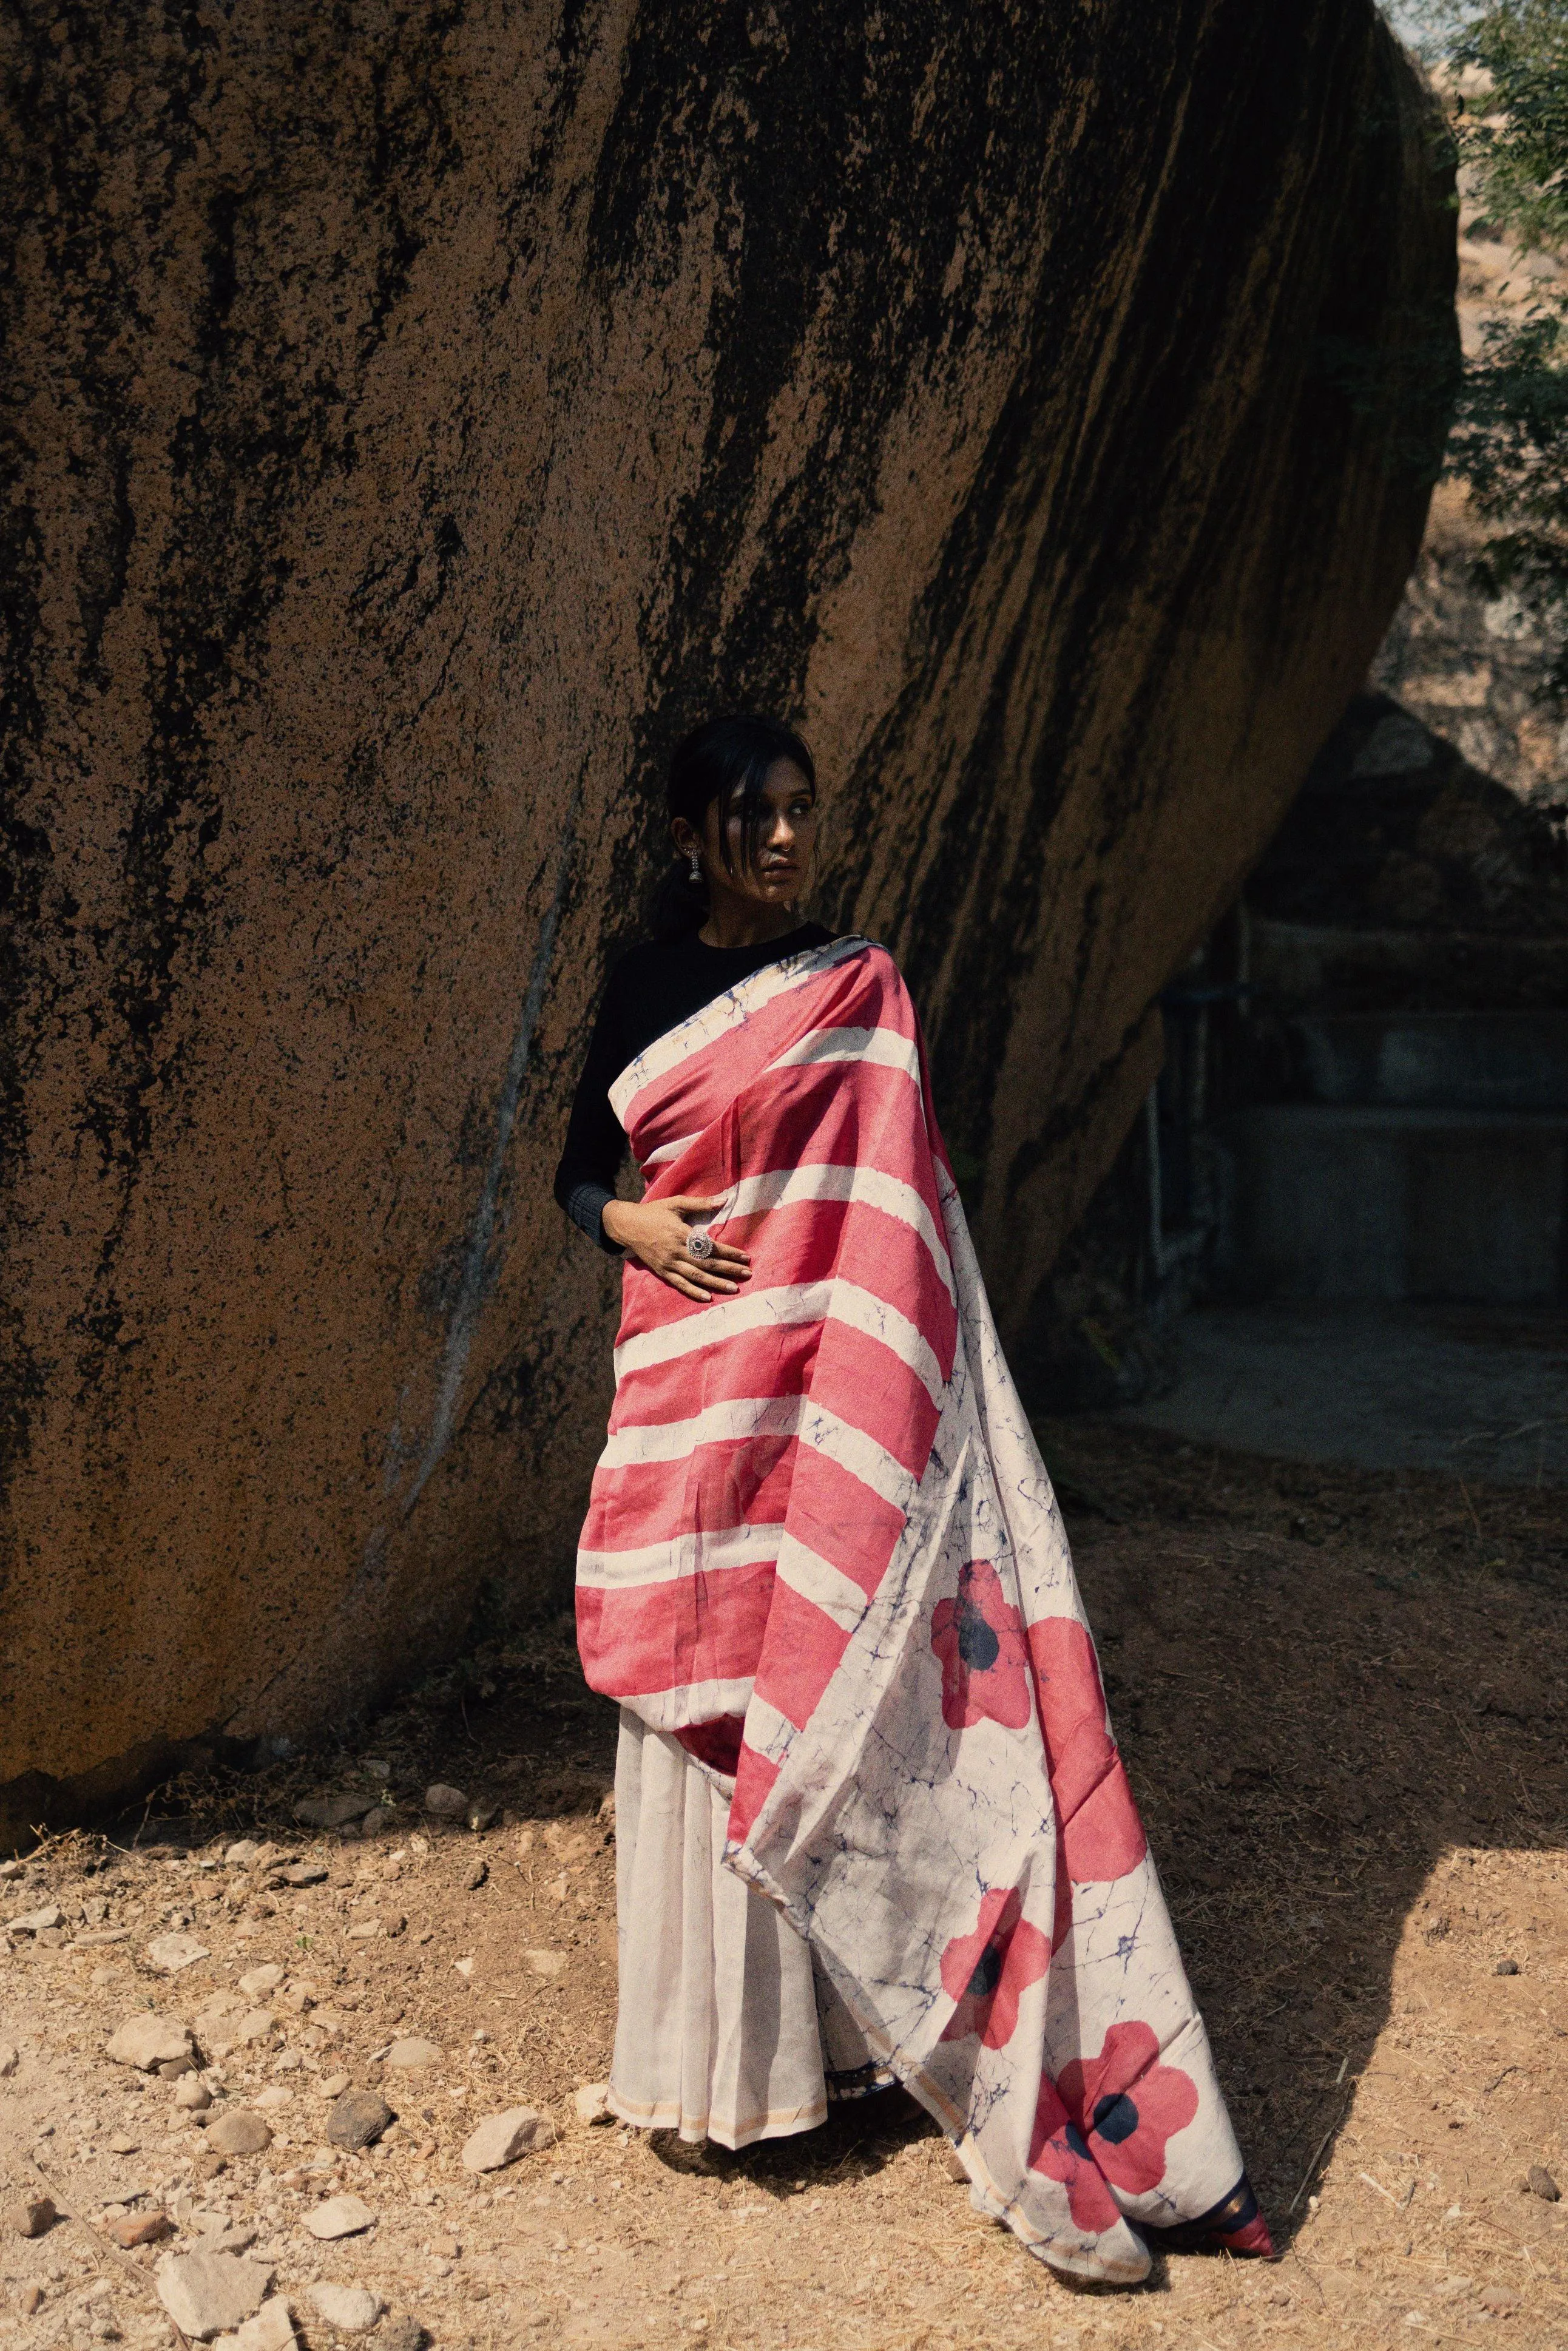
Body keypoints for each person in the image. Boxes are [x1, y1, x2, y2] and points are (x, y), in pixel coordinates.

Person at [554, 714, 1271, 2286]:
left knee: (810, 1677)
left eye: (804, 810)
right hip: (690, 1390)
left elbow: (900, 1208)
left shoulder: (855, 990)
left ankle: (850, 2050)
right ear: (695, 833)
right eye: (756, 814)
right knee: (702, 1695)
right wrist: (639, 1227)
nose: (790, 838)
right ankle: (717, 2068)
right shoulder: (646, 987)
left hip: (827, 1395)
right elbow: (571, 1177)